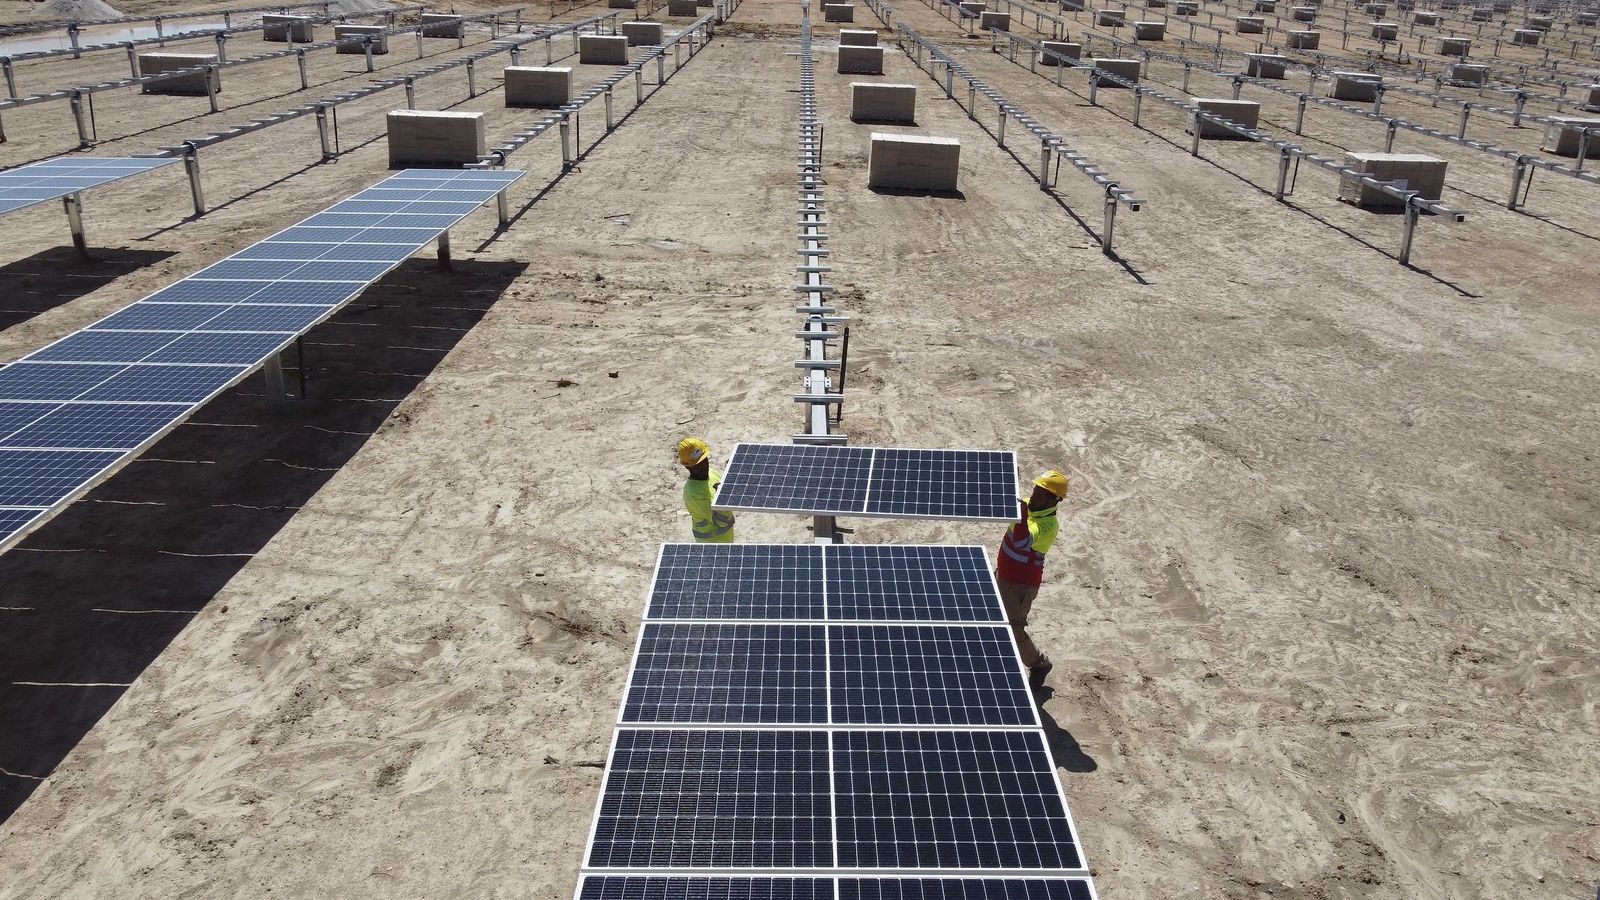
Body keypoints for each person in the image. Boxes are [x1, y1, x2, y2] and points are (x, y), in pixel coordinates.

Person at [996, 469, 1068, 683]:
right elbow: (1000, 503)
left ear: (1054, 499)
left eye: (1041, 493)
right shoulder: (1028, 505)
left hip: (1020, 587)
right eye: (1036, 489)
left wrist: (1021, 511)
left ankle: (1038, 664)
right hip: (1003, 574)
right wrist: (1008, 483)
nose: (1034, 495)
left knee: (1013, 630)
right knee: (992, 614)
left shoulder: (1048, 526)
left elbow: (1021, 541)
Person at [678, 437, 736, 543]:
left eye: (704, 460)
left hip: (726, 538)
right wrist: (723, 497)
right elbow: (721, 521)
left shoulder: (712, 473)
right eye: (698, 464)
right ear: (688, 467)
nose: (703, 466)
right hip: (711, 544)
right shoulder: (693, 494)